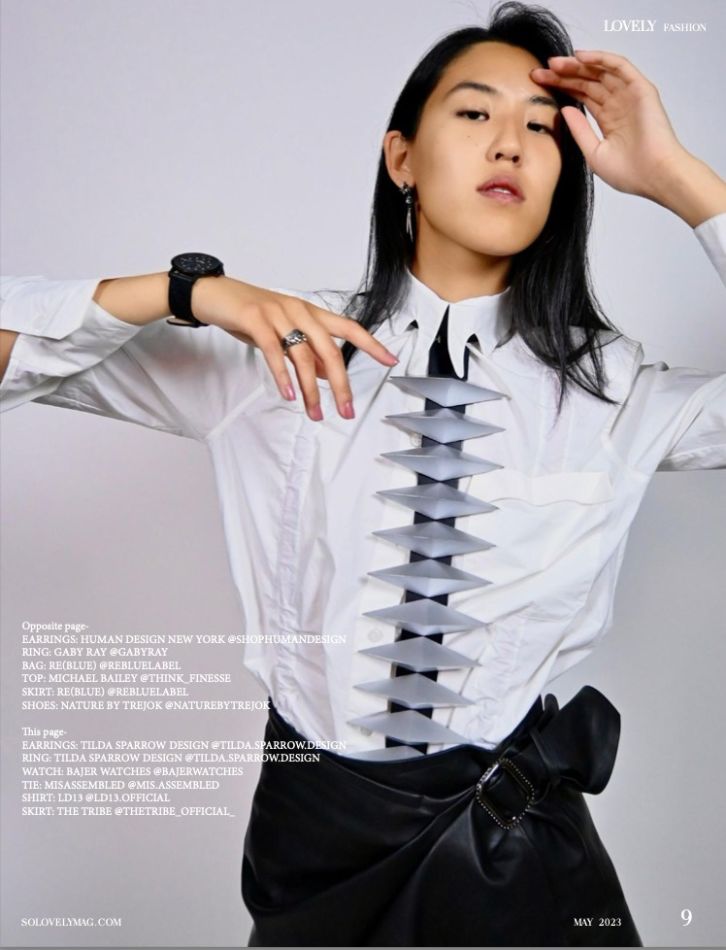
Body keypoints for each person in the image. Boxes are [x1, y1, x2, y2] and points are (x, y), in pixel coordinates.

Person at [2, 1, 725, 946]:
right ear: (402, 158)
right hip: (318, 849)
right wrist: (189, 290)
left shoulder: (615, 390)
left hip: (517, 867)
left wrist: (679, 180)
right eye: (474, 112)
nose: (510, 144)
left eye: (544, 129)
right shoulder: (275, 350)